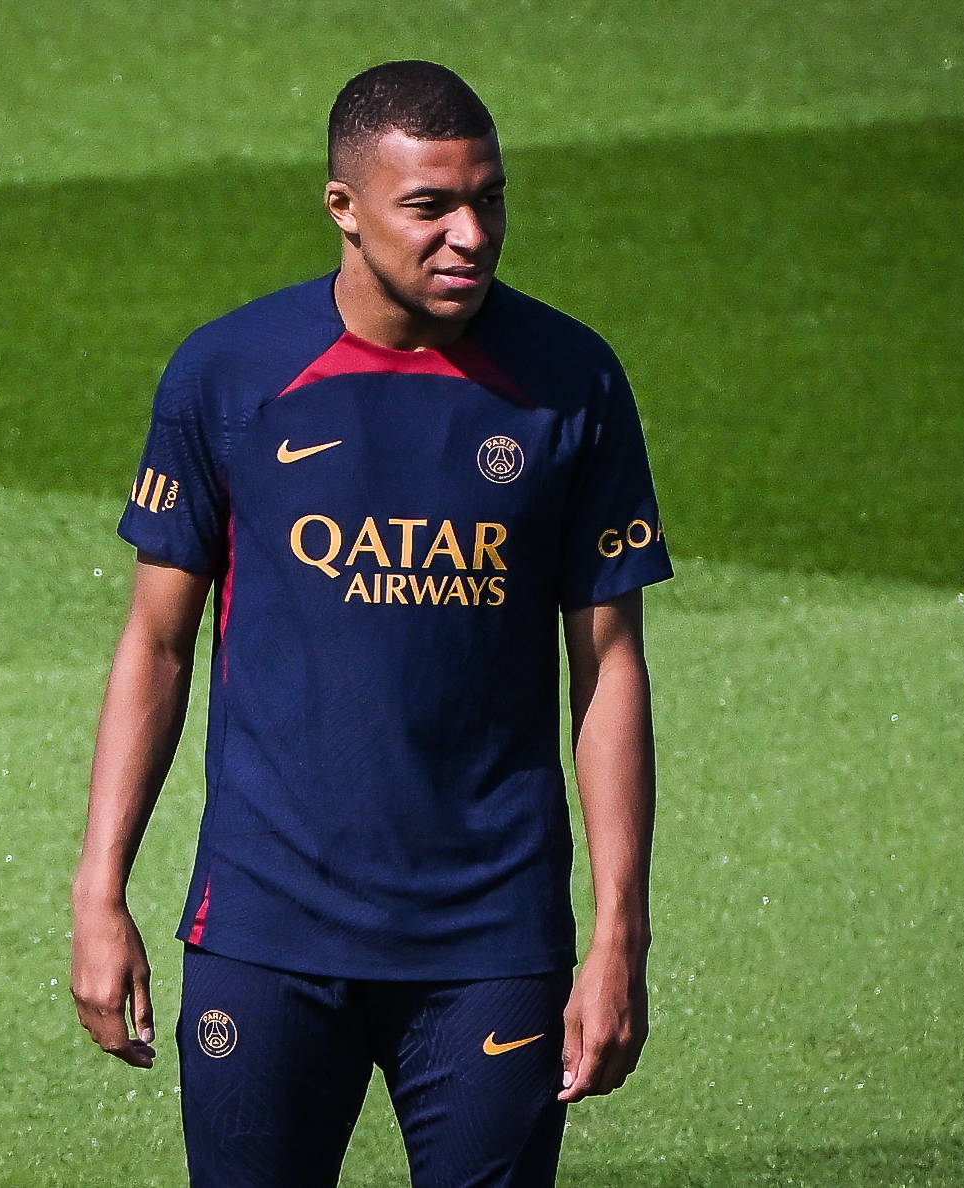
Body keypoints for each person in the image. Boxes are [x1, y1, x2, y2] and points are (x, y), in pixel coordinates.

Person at [71, 60, 672, 1188]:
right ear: (343, 207)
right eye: (430, 206)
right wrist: (100, 892)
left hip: (491, 938)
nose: (470, 235)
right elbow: (155, 645)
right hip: (266, 926)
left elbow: (609, 669)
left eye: (488, 198)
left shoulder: (573, 380)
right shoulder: (231, 373)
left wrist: (620, 932)